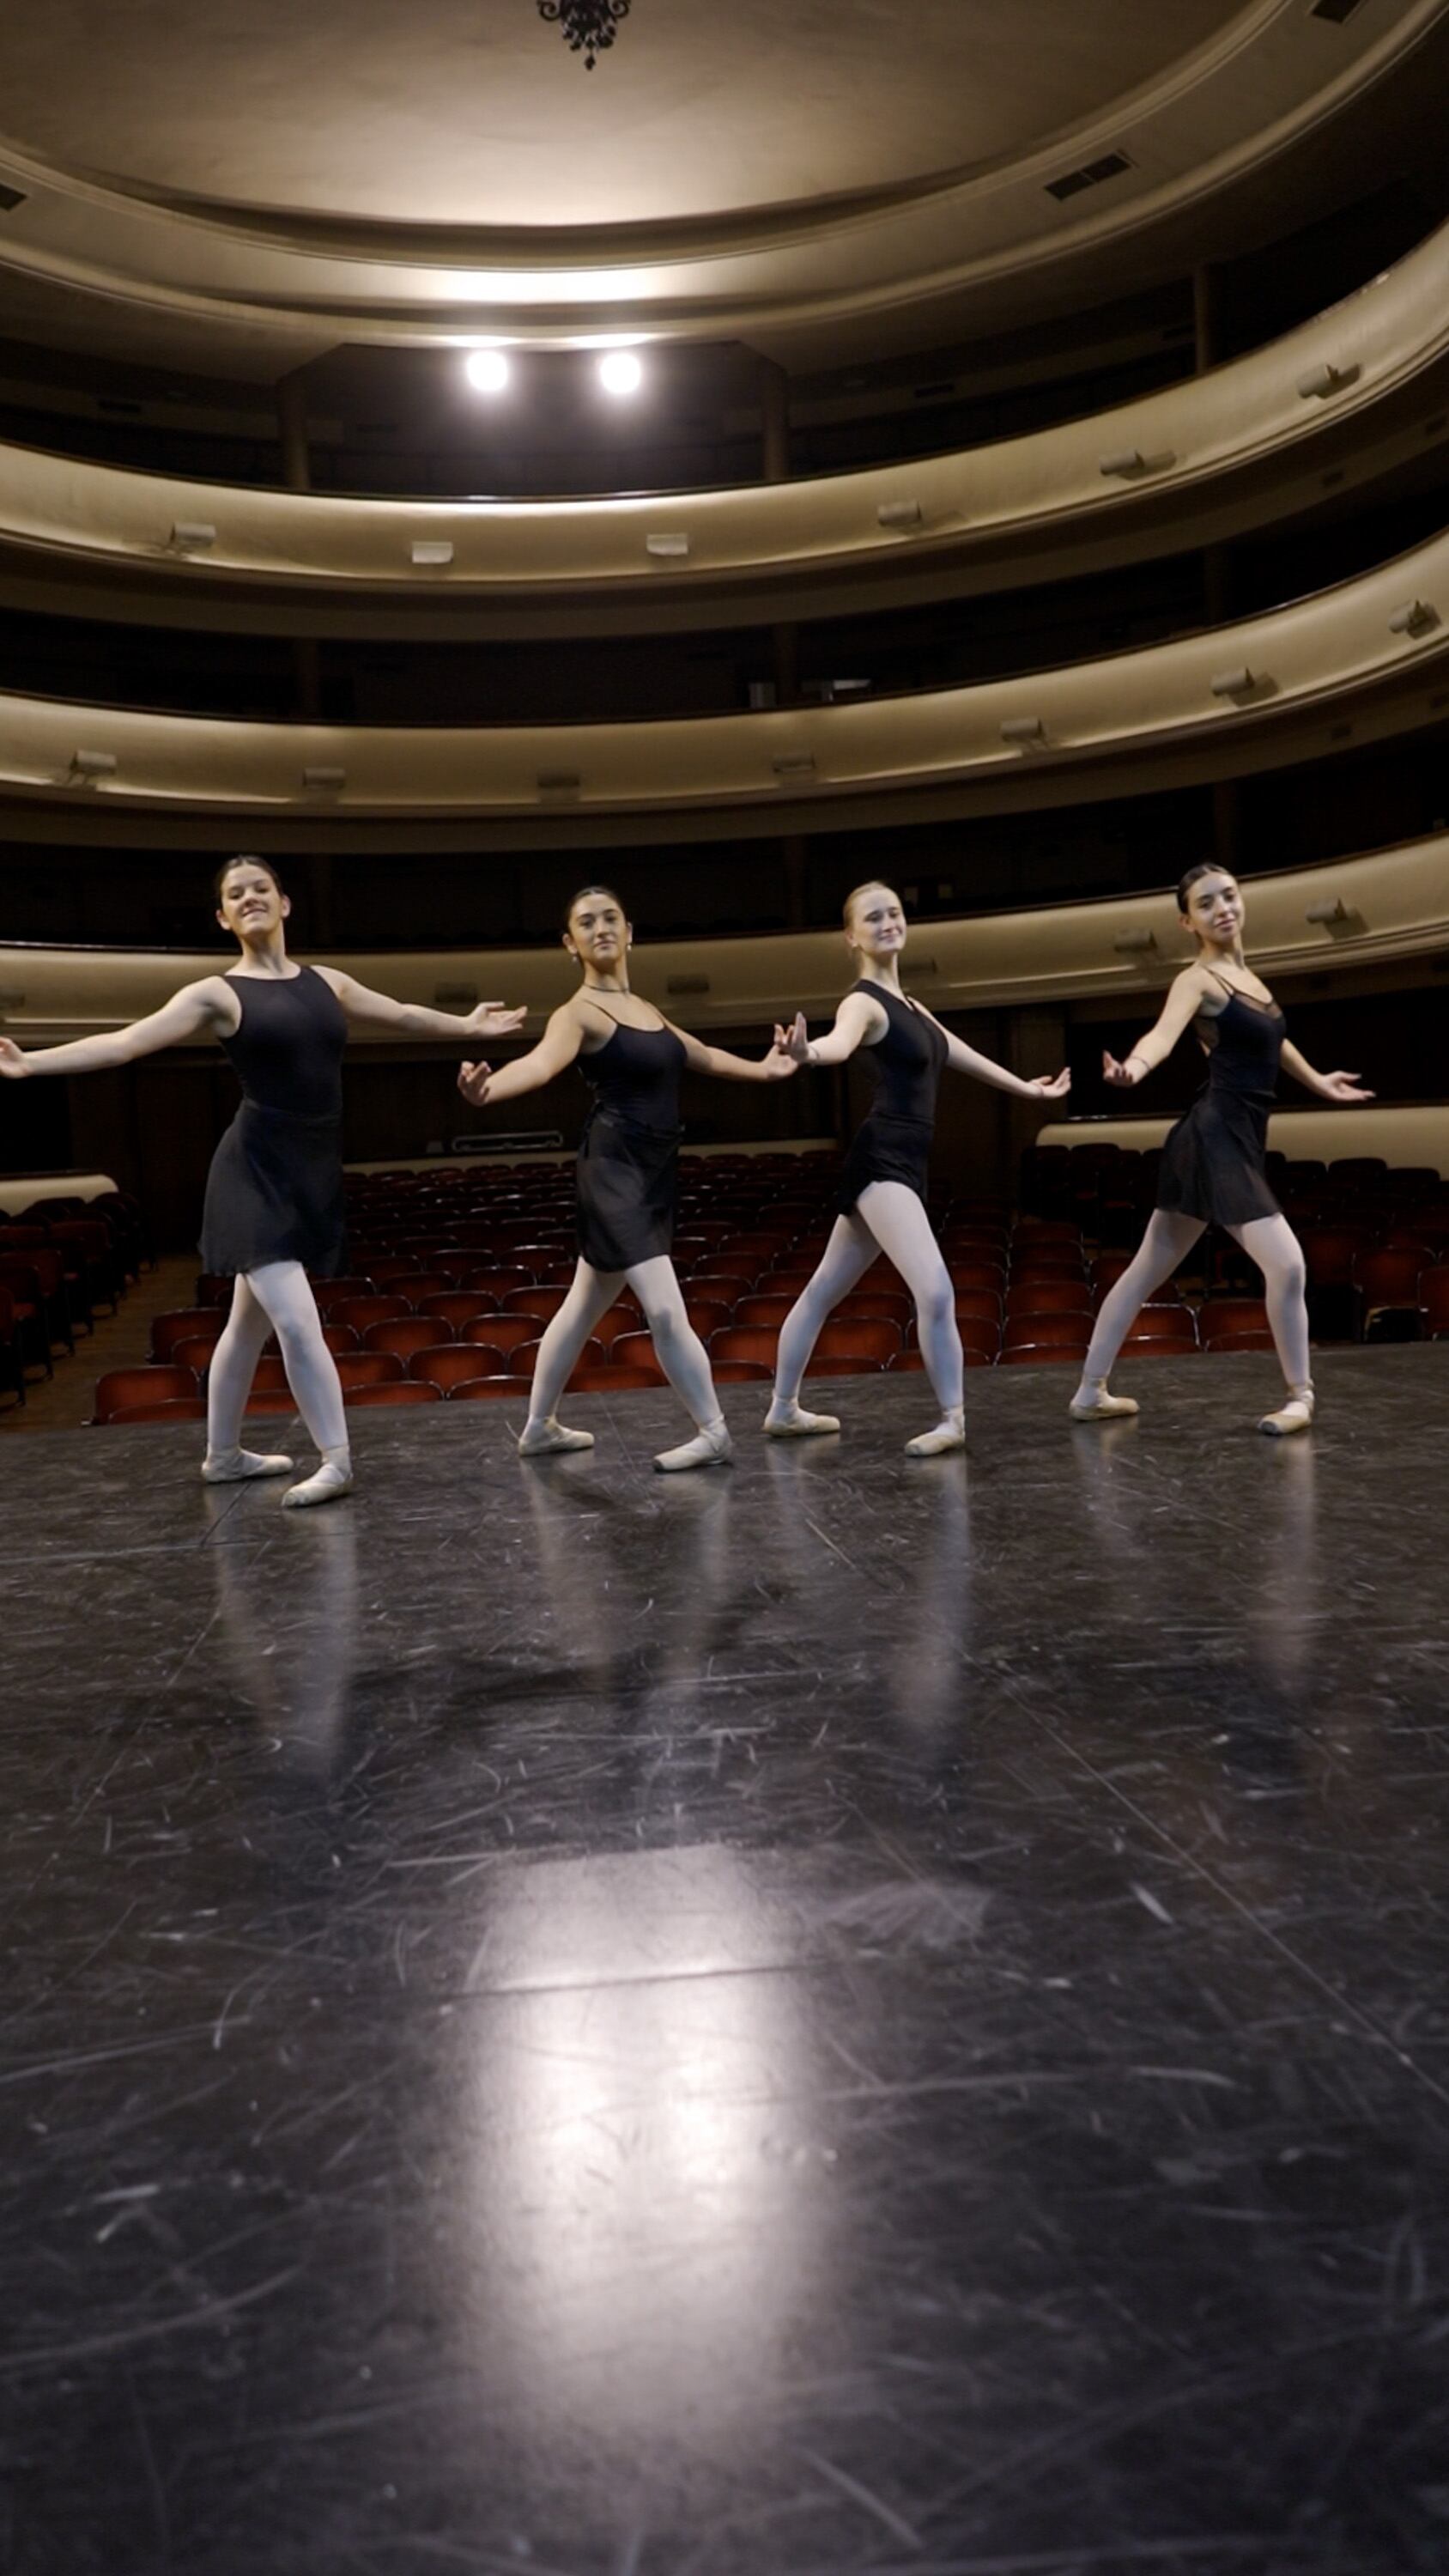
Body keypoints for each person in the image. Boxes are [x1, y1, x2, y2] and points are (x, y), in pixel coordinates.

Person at [0, 854, 524, 1504]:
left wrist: (467, 1027)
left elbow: (404, 1015)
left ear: (284, 904)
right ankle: (336, 1458)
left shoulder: (327, 982)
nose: (250, 898)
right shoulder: (216, 994)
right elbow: (128, 1042)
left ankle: (223, 1456)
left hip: (309, 1168)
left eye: (261, 888)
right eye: (235, 894)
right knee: (297, 1321)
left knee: (245, 1325)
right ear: (223, 917)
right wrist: (31, 1065)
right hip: (251, 1170)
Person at [457, 884, 800, 1471]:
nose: (600, 928)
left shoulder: (649, 1012)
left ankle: (539, 1426)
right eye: (586, 923)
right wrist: (488, 1090)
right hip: (613, 1168)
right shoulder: (578, 1013)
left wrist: (770, 1070)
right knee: (665, 1309)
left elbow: (702, 1055)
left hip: (655, 1169)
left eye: (610, 917)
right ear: (571, 944)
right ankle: (713, 1430)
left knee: (583, 1304)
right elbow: (540, 1064)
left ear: (630, 932)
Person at [1069, 862, 1373, 1436]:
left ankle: (1090, 1390)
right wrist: (1134, 1069)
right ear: (1189, 922)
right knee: (1287, 1264)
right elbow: (1162, 1035)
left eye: (1229, 896)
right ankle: (1299, 1396)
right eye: (1207, 904)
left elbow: (1275, 1043)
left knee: (1144, 1271)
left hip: (1233, 1137)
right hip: (1214, 1136)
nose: (1223, 908)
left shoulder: (1252, 982)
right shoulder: (1199, 981)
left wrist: (1318, 1081)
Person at [768, 879, 1070, 1455]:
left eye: (895, 913)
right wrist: (807, 1053)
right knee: (934, 1289)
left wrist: (1026, 1088)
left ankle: (783, 1409)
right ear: (851, 936)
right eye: (873, 917)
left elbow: (961, 1055)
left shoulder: (913, 1007)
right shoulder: (861, 1002)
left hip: (905, 1161)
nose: (888, 923)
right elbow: (838, 1044)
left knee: (821, 1291)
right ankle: (953, 1420)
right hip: (883, 1158)